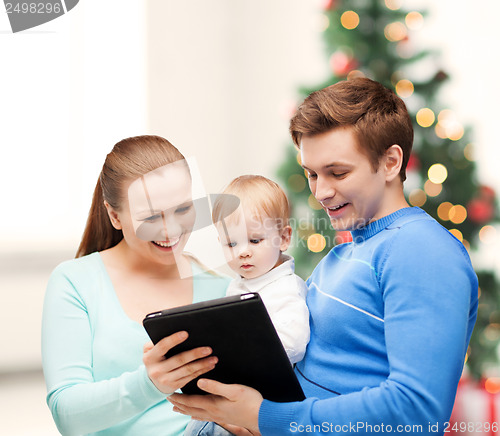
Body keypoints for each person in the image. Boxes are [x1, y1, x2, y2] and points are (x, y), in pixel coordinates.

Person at [166, 78, 479, 436]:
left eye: (338, 172)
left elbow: (416, 412)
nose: (321, 192)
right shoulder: (345, 252)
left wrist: (265, 417)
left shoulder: (422, 252)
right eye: (312, 174)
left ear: (391, 162)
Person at [41, 135, 230, 436]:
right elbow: (68, 416)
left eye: (183, 209)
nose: (171, 230)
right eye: (152, 216)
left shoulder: (224, 288)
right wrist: (149, 384)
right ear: (115, 215)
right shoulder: (75, 283)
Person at [184, 175, 310, 436]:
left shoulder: (286, 288)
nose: (242, 251)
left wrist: (245, 357)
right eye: (231, 243)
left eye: (254, 241)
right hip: (230, 392)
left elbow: (294, 343)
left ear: (284, 238)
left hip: (265, 399)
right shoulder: (240, 284)